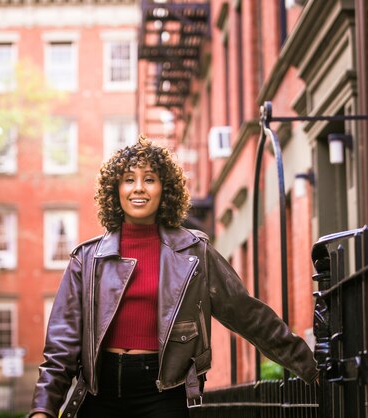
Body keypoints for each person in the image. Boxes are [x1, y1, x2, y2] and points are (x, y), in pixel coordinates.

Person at [27, 136, 318, 418]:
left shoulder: (194, 251)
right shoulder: (87, 258)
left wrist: (309, 366)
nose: (138, 188)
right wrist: (44, 407)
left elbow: (247, 314)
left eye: (150, 179)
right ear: (115, 190)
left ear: (164, 189)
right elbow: (61, 344)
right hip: (98, 393)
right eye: (129, 179)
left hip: (164, 393)